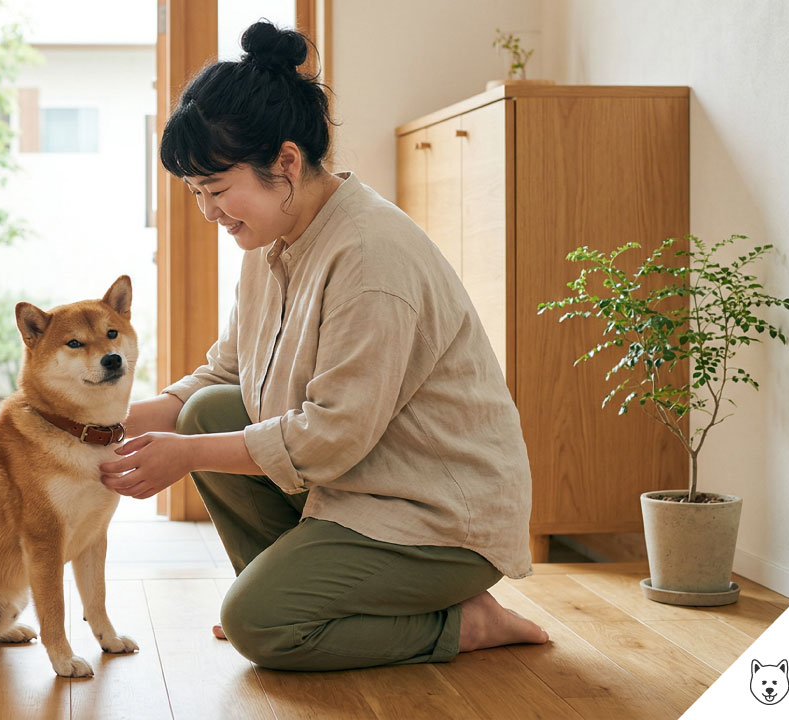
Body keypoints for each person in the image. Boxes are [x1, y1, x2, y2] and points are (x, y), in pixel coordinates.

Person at [98, 20, 549, 671]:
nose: (207, 213)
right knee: (210, 409)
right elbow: (226, 373)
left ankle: (458, 622)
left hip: (437, 518)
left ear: (285, 162)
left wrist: (185, 456)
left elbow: (332, 436)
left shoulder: (370, 255)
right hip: (356, 487)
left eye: (218, 190)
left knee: (259, 627)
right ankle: (298, 596)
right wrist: (103, 421)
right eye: (196, 193)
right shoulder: (271, 238)